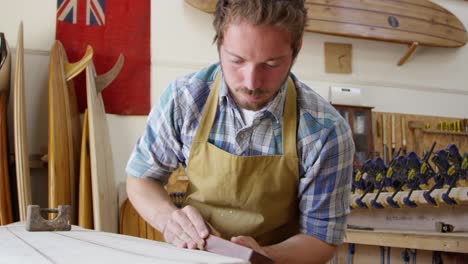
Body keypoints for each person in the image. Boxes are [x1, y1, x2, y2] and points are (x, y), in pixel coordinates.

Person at [126, 0, 355, 263]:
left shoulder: (325, 132)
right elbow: (141, 179)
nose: (252, 82)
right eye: (237, 61)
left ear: (297, 47)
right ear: (219, 42)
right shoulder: (184, 100)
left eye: (271, 64)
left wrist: (265, 255)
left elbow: (322, 237)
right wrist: (169, 220)